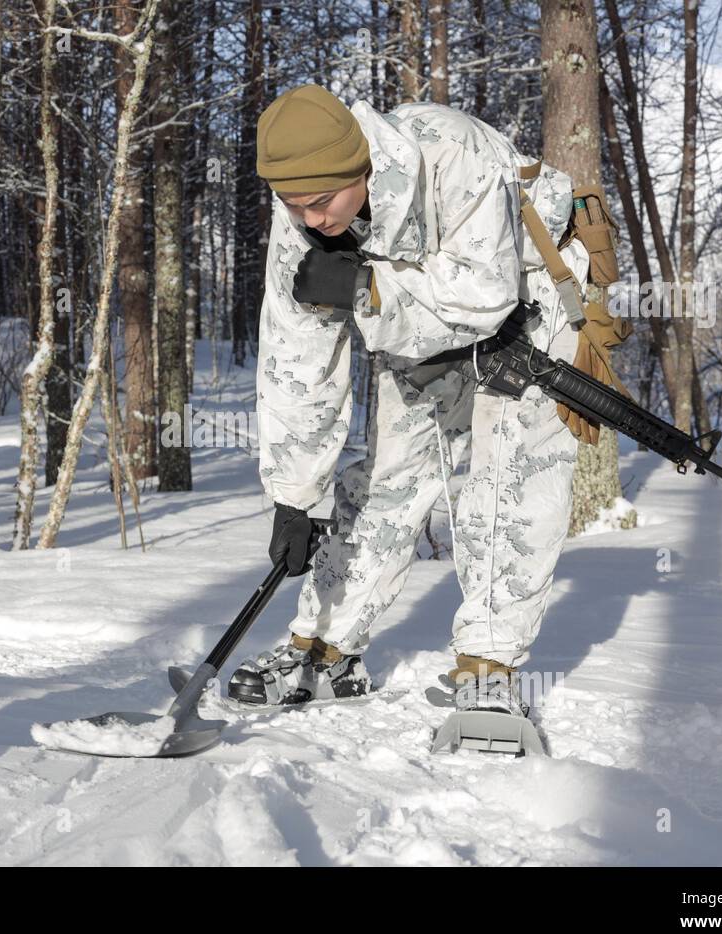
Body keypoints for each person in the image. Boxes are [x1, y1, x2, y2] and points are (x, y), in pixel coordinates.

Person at [231, 83, 624, 715]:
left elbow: (483, 295)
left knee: (507, 472)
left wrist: (365, 289)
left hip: (531, 290)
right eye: (291, 204)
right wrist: (294, 497)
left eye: (322, 202)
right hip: (417, 304)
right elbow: (295, 357)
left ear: (358, 167)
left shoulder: (451, 151)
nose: (311, 220)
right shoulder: (302, 214)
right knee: (389, 470)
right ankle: (326, 649)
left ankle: (488, 666)